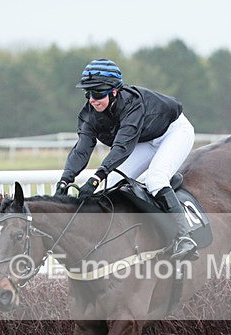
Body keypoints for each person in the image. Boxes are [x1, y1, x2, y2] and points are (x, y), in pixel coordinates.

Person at [54, 58, 198, 260]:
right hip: (145, 138)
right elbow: (82, 149)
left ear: (114, 91)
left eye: (97, 93)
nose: (92, 100)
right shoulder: (89, 114)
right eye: (88, 93)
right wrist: (65, 179)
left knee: (156, 178)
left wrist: (95, 178)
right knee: (112, 183)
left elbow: (122, 147)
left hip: (173, 132)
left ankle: (185, 236)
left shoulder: (132, 104)